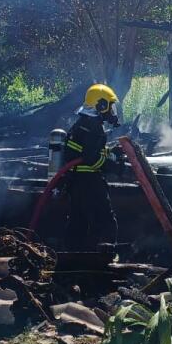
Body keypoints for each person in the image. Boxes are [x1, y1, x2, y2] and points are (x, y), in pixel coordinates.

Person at [61, 83, 121, 251]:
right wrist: (112, 165)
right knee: (104, 220)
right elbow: (91, 158)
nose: (111, 111)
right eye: (109, 106)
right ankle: (105, 258)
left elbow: (87, 151)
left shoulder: (82, 123)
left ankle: (72, 258)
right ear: (100, 105)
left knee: (78, 221)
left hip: (75, 182)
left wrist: (110, 152)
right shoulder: (94, 127)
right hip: (90, 182)